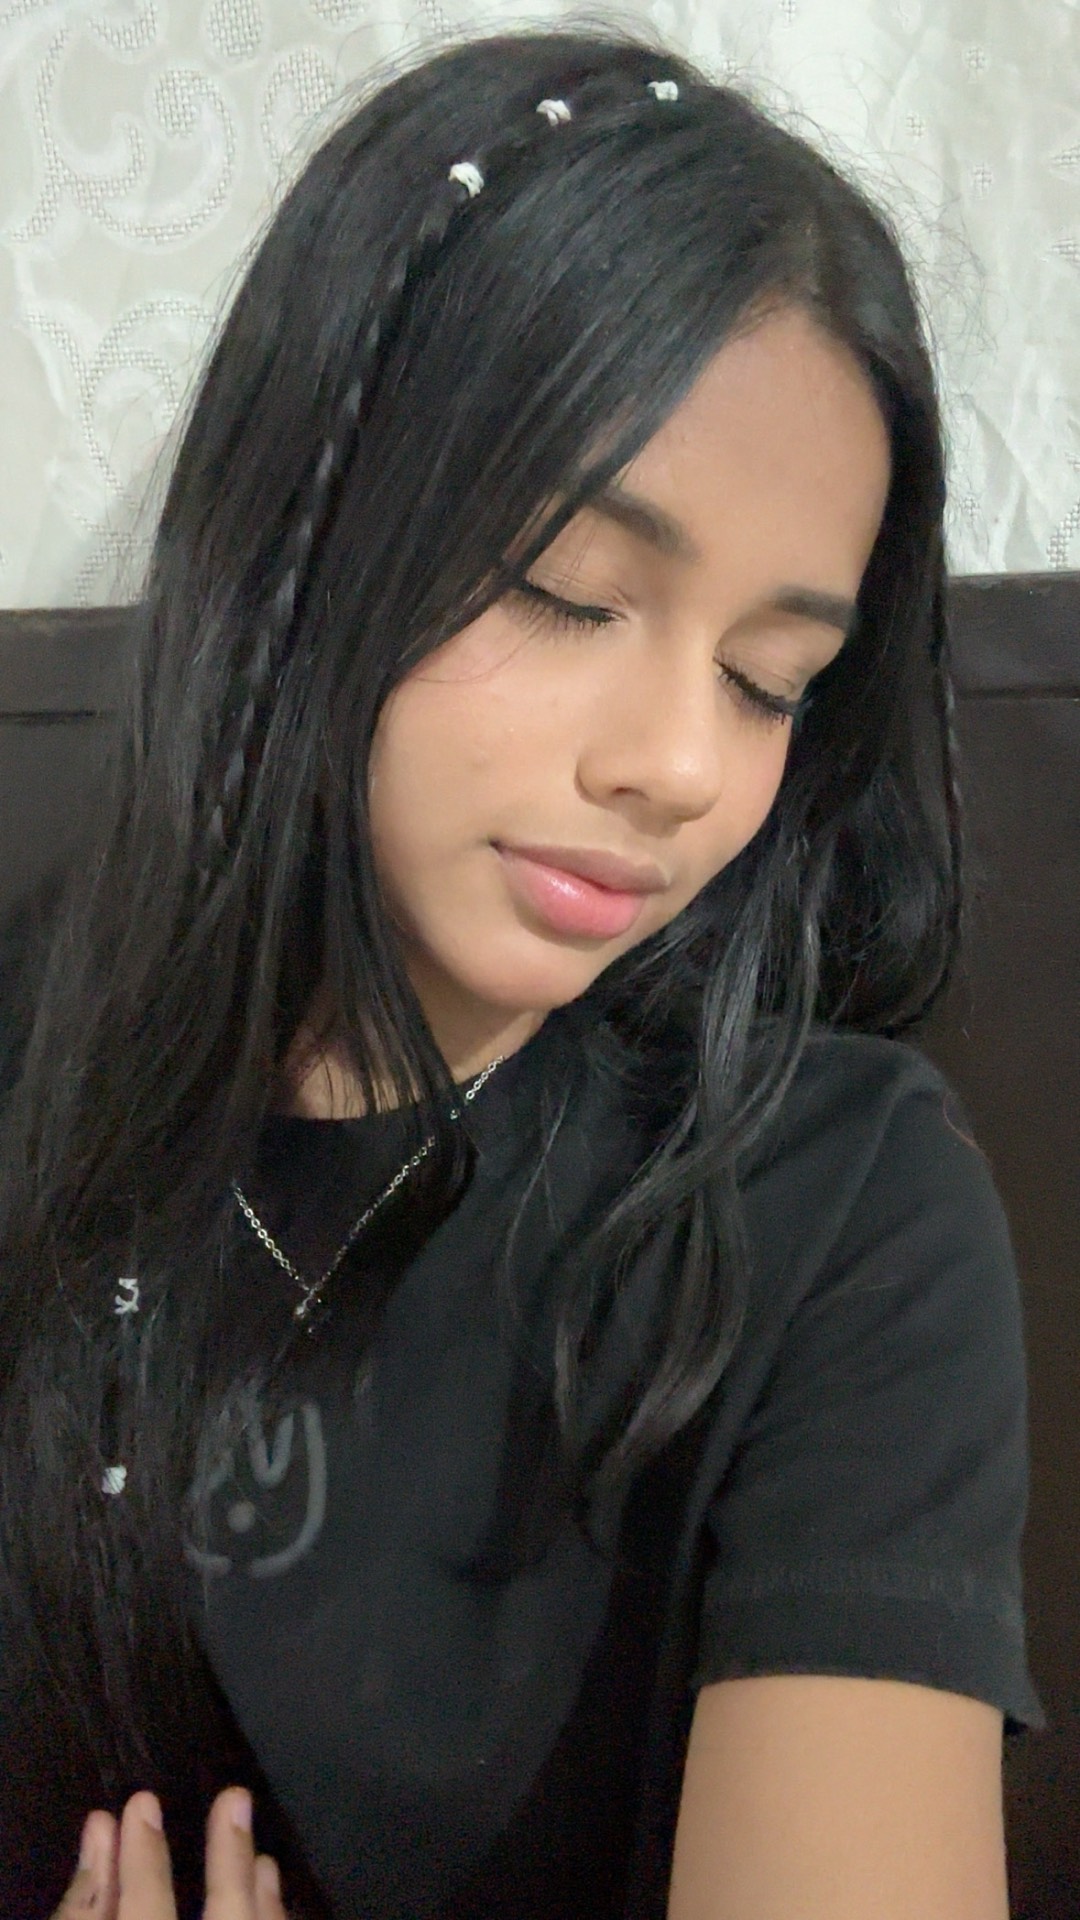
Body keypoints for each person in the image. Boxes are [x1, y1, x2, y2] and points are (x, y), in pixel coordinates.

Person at [0, 22, 1045, 1920]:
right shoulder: (28, 1077)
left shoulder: (840, 1212)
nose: (681, 764)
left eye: (773, 681)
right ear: (310, 522)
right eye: (570, 589)